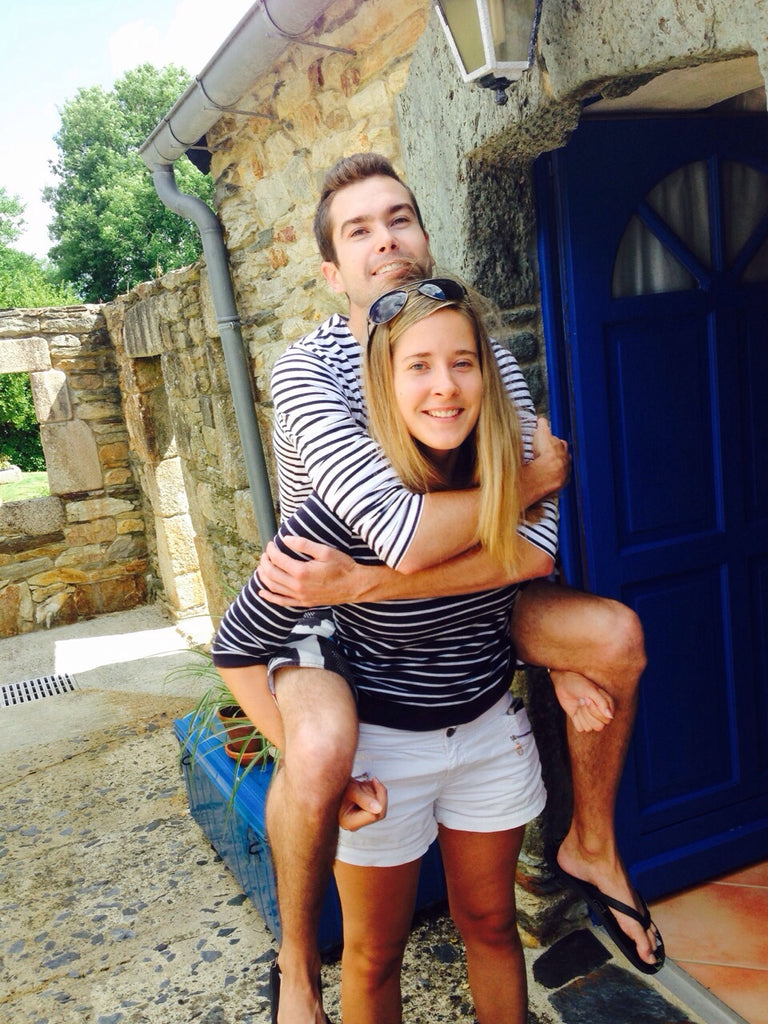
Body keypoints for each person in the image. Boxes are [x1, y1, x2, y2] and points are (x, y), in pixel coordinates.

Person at [230, 154, 663, 1022]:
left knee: (611, 638)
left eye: (400, 219)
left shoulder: (486, 359)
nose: (386, 240)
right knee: (331, 783)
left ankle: (593, 844)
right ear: (332, 273)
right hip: (345, 638)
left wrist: (536, 642)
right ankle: (295, 967)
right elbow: (402, 534)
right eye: (360, 231)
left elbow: (532, 554)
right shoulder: (311, 374)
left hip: (459, 634)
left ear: (425, 239)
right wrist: (525, 483)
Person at [213, 277, 570, 1023]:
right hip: (382, 752)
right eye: (419, 366)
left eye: (463, 363)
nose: (445, 387)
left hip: (486, 735)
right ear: (383, 383)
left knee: (493, 926)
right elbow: (239, 650)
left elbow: (534, 572)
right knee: (376, 954)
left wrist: (568, 665)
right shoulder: (341, 514)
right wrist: (319, 770)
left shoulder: (513, 481)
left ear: (488, 375)